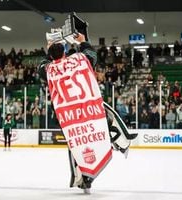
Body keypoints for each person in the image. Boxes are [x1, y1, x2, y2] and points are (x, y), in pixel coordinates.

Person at [38, 32, 137, 193]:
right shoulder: (79, 60)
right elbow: (91, 55)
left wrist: (49, 48)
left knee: (76, 145)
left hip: (69, 117)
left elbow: (42, 65)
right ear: (64, 50)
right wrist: (83, 42)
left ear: (50, 53)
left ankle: (84, 178)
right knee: (104, 123)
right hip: (89, 109)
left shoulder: (49, 69)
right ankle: (120, 141)